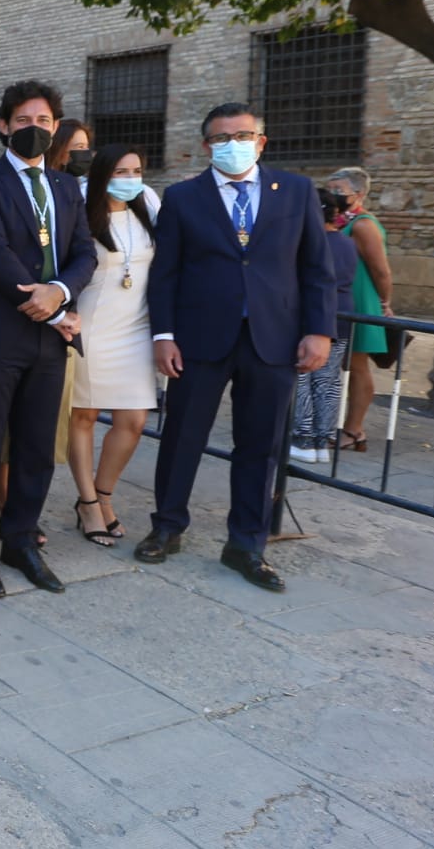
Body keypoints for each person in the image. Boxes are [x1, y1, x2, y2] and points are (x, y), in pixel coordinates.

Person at [140, 104, 334, 592]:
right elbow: (165, 274)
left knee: (261, 445)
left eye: (242, 134)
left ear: (261, 141)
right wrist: (163, 335)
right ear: (206, 145)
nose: (232, 143)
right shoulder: (184, 198)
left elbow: (315, 267)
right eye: (221, 137)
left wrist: (320, 330)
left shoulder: (295, 190)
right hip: (200, 340)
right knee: (183, 436)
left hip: (273, 340)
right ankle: (167, 526)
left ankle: (246, 544)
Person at [0, 80, 96, 599]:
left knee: (35, 447)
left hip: (50, 342)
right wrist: (52, 311)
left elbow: (85, 254)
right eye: (25, 121)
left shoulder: (65, 188)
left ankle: (20, 540)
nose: (35, 130)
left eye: (44, 123)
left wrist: (60, 292)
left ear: (55, 129)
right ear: (4, 125)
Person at [65, 144, 160, 545]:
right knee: (82, 417)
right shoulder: (82, 213)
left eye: (136, 171)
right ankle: (88, 502)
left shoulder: (149, 209)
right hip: (92, 326)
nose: (130, 179)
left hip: (136, 328)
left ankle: (104, 492)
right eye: (120, 172)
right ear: (103, 174)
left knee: (133, 421)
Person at [325, 166, 394, 452]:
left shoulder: (363, 225)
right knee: (341, 364)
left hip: (360, 299)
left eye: (339, 191)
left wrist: (385, 302)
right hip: (338, 299)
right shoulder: (338, 222)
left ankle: (355, 429)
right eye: (330, 190)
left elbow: (381, 270)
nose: (334, 196)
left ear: (360, 193)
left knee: (357, 364)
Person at [291, 188, 359, 465]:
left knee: (304, 379)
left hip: (314, 318)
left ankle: (302, 438)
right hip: (343, 316)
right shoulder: (346, 242)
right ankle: (322, 440)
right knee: (329, 382)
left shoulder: (312, 244)